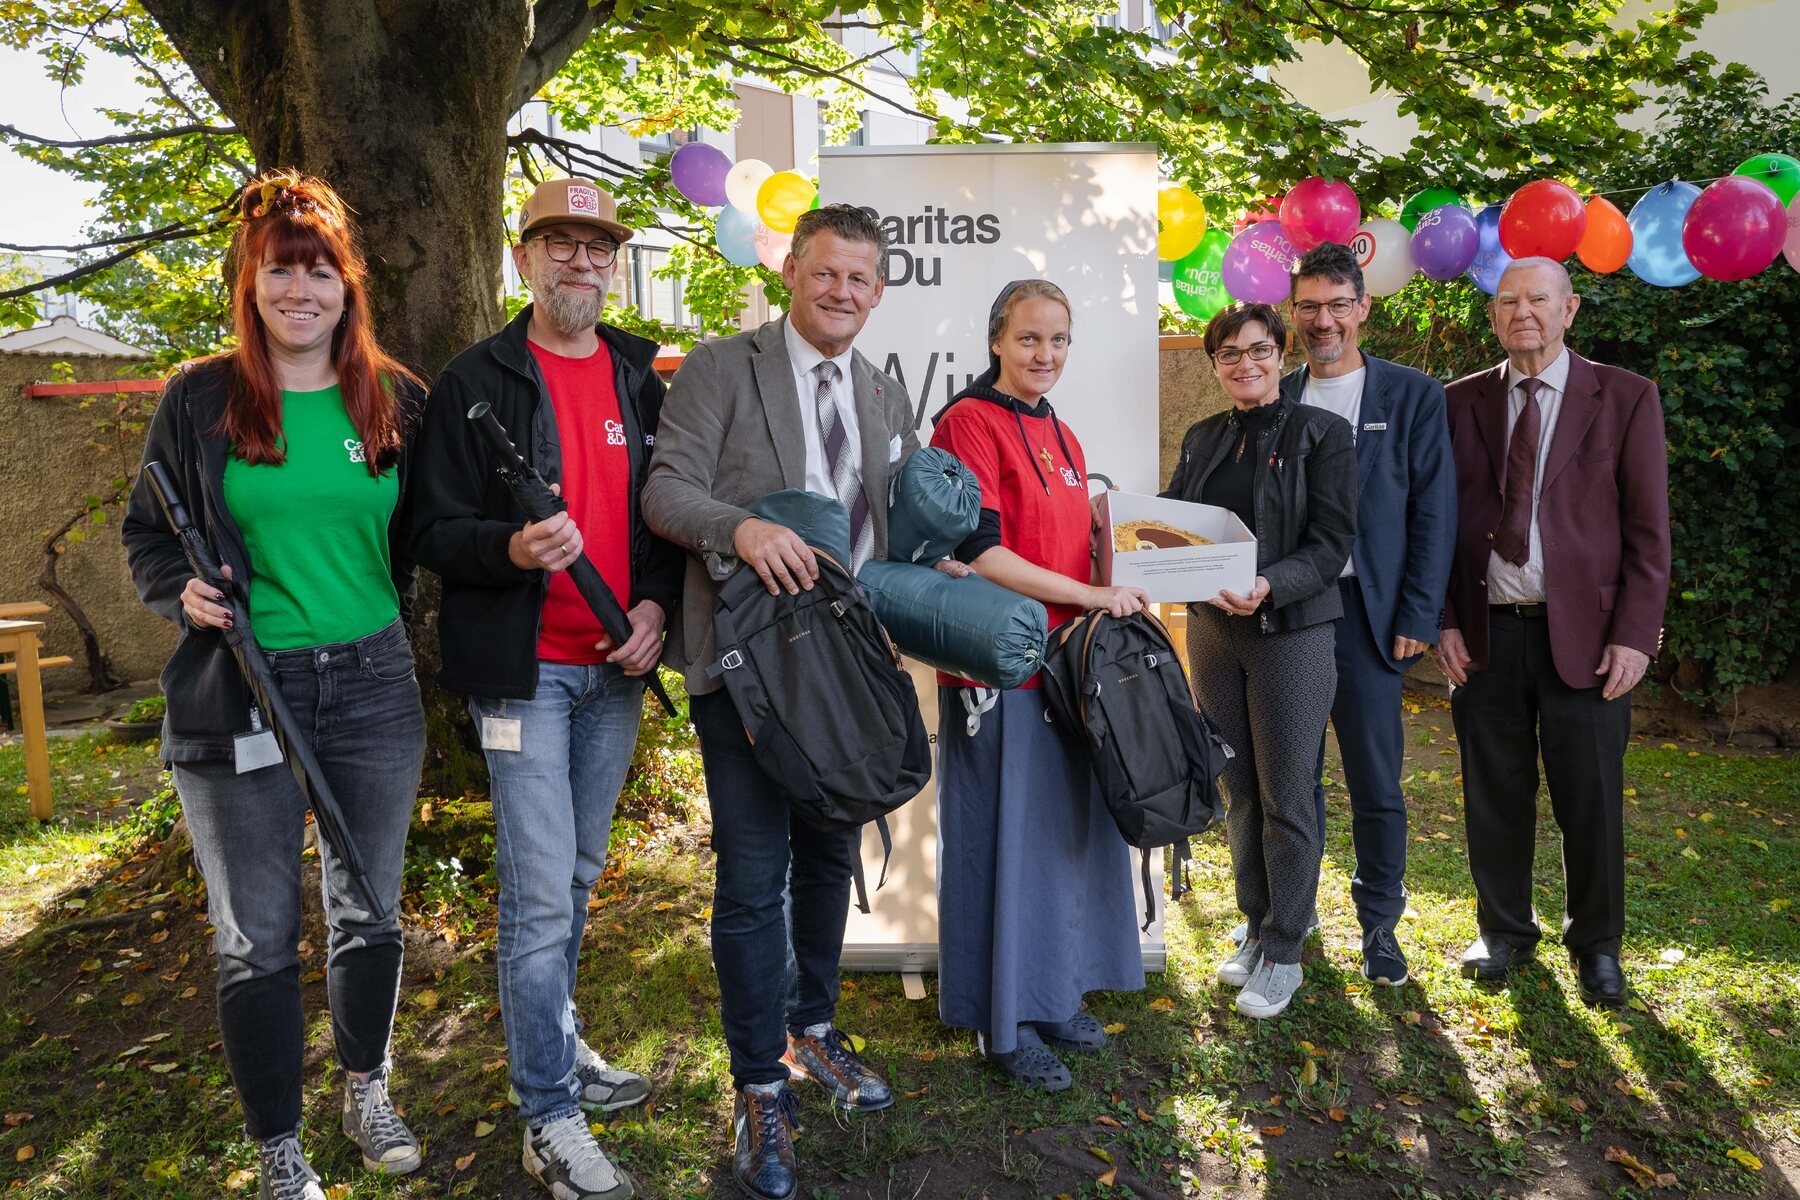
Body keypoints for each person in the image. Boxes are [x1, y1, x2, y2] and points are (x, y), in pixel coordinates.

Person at [121, 170, 427, 1200]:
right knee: (255, 935)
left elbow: (426, 536)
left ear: (348, 287)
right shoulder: (200, 399)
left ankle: (366, 1084)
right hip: (239, 686)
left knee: (370, 907)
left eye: (320, 273)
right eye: (279, 273)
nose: (301, 292)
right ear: (250, 285)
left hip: (374, 681)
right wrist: (183, 596)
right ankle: (279, 1150)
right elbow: (147, 536)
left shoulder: (392, 397)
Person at [410, 178, 682, 1200]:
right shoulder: (476, 380)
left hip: (615, 672)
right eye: (559, 245)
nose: (580, 263)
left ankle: (559, 1052)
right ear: (524, 259)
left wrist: (654, 609)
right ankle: (549, 1117)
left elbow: (662, 520)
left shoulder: (636, 378)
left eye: (597, 248)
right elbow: (430, 535)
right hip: (525, 678)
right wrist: (513, 545)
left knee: (572, 878)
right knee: (533, 898)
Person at [642, 203, 915, 1200]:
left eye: (860, 279)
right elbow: (665, 494)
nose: (841, 291)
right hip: (750, 670)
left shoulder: (884, 394)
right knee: (753, 879)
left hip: (845, 674)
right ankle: (759, 1081)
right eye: (825, 272)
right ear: (792, 273)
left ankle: (813, 1030)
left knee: (828, 854)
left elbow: (894, 536)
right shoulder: (723, 367)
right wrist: (743, 530)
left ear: (877, 292)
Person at [929, 279, 1148, 1090]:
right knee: (1001, 842)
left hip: (1065, 663)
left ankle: (1051, 994)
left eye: (1058, 341)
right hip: (998, 664)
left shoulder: (1061, 429)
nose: (1045, 355)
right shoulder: (967, 423)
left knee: (1060, 835)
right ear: (996, 340)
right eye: (1029, 339)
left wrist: (1124, 569)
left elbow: (1073, 545)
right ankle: (1001, 1019)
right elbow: (982, 553)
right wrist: (1092, 595)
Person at [1435, 257, 1670, 1008]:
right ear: (1494, 316)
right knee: (1493, 793)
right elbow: (1434, 524)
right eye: (1507, 301)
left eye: (1539, 299)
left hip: (1592, 640)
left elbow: (1648, 531)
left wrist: (1635, 634)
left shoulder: (1626, 397)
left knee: (1590, 798)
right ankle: (1504, 931)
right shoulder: (1457, 402)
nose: (1522, 312)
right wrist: (1441, 619)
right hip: (1486, 635)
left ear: (1570, 310)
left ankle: (1597, 946)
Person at [1161, 302, 1357, 1020]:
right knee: (1237, 785)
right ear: (1215, 366)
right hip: (1214, 630)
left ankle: (1284, 950)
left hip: (1292, 629)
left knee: (1288, 793)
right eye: (1229, 355)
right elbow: (1178, 525)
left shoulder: (1321, 434)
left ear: (1281, 352)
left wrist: (1270, 586)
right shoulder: (1204, 436)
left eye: (1257, 350)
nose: (1244, 364)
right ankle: (1254, 922)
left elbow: (1333, 542)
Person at [1283, 242, 1456, 987]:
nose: (1324, 321)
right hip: (1290, 611)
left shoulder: (1411, 394)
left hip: (1369, 612)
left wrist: (1417, 609)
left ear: (1363, 308)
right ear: (1294, 315)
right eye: (1309, 307)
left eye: (1337, 305)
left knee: (1376, 779)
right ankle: (1295, 909)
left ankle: (1380, 924)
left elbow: (1435, 511)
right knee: (1292, 775)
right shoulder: (1276, 395)